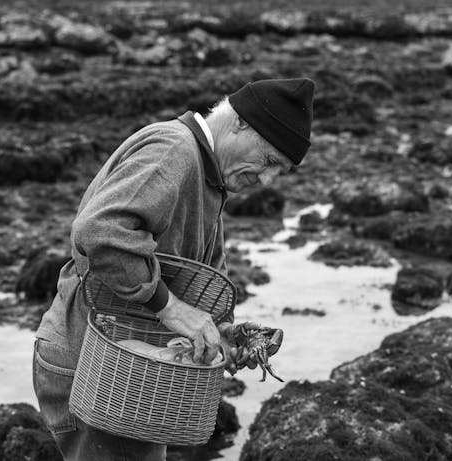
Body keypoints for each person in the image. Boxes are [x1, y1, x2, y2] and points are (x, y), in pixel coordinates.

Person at [32, 78, 315, 460]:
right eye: (268, 161)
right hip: (93, 362)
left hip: (133, 370)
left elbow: (182, 275)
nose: (267, 180)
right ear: (241, 123)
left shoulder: (210, 177)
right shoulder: (174, 150)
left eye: (279, 171)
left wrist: (220, 333)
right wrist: (173, 310)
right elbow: (100, 232)